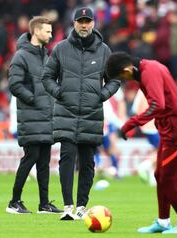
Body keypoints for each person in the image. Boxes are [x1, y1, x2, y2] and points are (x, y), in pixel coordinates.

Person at [105, 52, 177, 234]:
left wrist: (131, 124)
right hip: (169, 130)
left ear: (127, 69)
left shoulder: (149, 71)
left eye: (122, 77)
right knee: (159, 175)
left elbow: (158, 105)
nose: (124, 81)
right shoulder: (150, 67)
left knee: (169, 182)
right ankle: (163, 222)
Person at [42, 7, 120, 220]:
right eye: (80, 21)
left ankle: (82, 207)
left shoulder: (104, 50)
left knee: (88, 163)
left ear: (93, 23)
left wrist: (102, 95)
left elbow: (115, 78)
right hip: (66, 113)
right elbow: (47, 77)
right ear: (73, 23)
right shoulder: (61, 49)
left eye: (87, 21)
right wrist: (60, 93)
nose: (84, 25)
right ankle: (68, 207)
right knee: (66, 159)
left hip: (91, 114)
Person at [6, 16, 62, 214]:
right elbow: (14, 84)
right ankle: (14, 202)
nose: (51, 34)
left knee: (44, 162)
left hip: (46, 116)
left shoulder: (46, 56)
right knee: (30, 157)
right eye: (47, 31)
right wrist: (34, 99)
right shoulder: (21, 56)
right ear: (36, 31)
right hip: (31, 116)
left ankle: (44, 204)